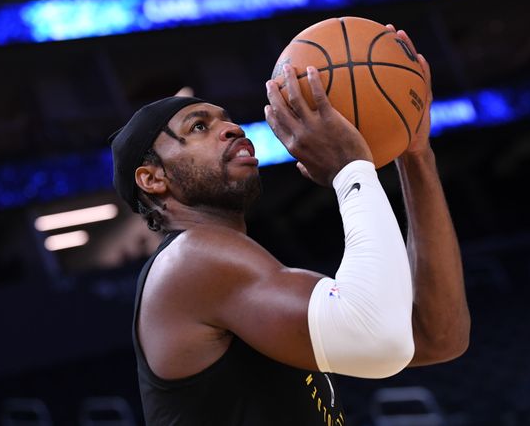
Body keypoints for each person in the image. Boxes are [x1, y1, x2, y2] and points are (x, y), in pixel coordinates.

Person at [108, 26, 470, 425]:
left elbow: (438, 338)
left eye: (226, 120)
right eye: (199, 126)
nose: (233, 129)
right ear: (152, 179)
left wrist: (415, 156)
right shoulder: (191, 260)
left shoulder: (245, 270)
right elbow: (378, 335)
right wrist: (349, 168)